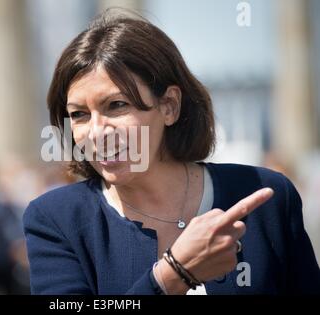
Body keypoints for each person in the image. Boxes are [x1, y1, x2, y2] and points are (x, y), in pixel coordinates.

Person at [23, 10, 320, 294]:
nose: (96, 132)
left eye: (117, 105)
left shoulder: (264, 196)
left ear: (169, 106)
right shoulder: (55, 219)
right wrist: (173, 275)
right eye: (79, 115)